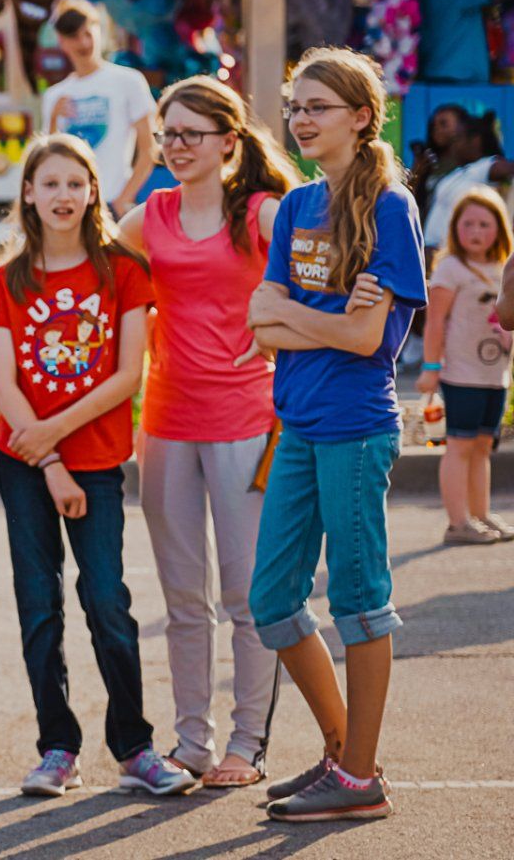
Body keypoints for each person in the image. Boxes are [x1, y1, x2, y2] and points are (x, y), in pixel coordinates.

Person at [0, 133, 198, 799]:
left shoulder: (121, 270)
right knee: (39, 603)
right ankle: (57, 746)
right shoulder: (9, 277)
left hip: (99, 459)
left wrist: (59, 436)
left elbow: (127, 373)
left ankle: (134, 744)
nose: (63, 196)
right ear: (28, 193)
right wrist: (47, 456)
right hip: (26, 461)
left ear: (93, 191)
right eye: (49, 183)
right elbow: (3, 382)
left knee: (107, 598)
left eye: (75, 183)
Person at [242, 47, 426, 821]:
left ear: (362, 116)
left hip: (356, 427)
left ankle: (357, 778)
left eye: (318, 106)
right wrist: (317, 317)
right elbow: (259, 320)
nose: (301, 119)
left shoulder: (389, 207)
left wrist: (294, 317)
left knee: (357, 600)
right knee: (272, 599)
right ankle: (346, 751)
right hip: (298, 425)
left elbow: (366, 341)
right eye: (295, 106)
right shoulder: (294, 206)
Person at [114, 76, 300, 788]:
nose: (178, 145)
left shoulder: (260, 212)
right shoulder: (149, 215)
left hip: (245, 419)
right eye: (168, 132)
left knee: (248, 594)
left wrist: (281, 330)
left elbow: (319, 278)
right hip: (164, 421)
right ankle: (192, 741)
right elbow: (100, 279)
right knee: (183, 597)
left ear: (229, 140)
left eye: (193, 132)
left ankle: (248, 743)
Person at [417, 187, 514, 544]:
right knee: (459, 446)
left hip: (495, 376)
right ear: (455, 227)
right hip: (461, 376)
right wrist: (430, 366)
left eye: (484, 224)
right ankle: (457, 524)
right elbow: (435, 321)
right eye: (468, 223)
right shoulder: (451, 268)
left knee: (482, 446)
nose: (475, 231)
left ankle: (481, 515)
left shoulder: (503, 266)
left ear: (499, 228)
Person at [43, 1, 159, 215]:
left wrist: (124, 198)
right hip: (71, 208)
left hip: (112, 203)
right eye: (74, 36)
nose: (84, 42)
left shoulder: (128, 81)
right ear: (62, 41)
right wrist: (53, 119)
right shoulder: (54, 96)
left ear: (99, 30)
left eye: (88, 33)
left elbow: (149, 148)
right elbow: (47, 162)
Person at [420, 109, 512, 254]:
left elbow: (507, 168)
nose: (454, 146)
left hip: (454, 255)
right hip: (432, 255)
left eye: (458, 140)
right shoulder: (459, 171)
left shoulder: (485, 166)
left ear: (475, 141)